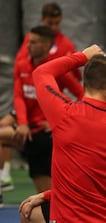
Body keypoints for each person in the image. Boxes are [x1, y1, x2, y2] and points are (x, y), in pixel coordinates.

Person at [19, 44, 106, 223]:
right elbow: (95, 183)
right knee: (34, 212)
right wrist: (51, 194)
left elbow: (41, 72)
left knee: (28, 212)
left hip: (67, 218)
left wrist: (82, 56)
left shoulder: (65, 115)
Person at [13, 25, 83, 193]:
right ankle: (3, 179)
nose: (28, 46)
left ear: (46, 46)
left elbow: (82, 96)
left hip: (43, 132)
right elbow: (18, 96)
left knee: (47, 190)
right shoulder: (22, 65)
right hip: (26, 125)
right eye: (29, 42)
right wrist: (22, 122)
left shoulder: (56, 71)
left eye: (34, 42)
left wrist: (59, 120)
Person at [16, 2, 82, 82]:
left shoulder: (67, 45)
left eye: (57, 23)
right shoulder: (32, 39)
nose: (54, 27)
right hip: (32, 86)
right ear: (43, 20)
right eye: (50, 23)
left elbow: (76, 76)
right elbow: (19, 65)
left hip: (54, 90)